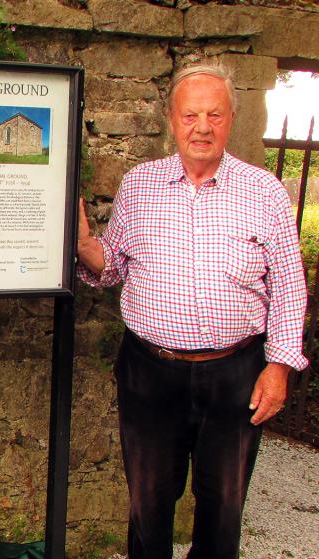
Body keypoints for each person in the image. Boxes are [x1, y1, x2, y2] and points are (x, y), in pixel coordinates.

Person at [77, 63, 307, 559]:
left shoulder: (264, 190)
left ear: (230, 120)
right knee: (148, 503)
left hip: (235, 374)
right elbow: (112, 264)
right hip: (149, 372)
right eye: (191, 115)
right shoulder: (140, 185)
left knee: (224, 508)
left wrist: (280, 366)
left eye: (214, 114)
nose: (202, 127)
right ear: (171, 119)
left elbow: (290, 284)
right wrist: (82, 244)